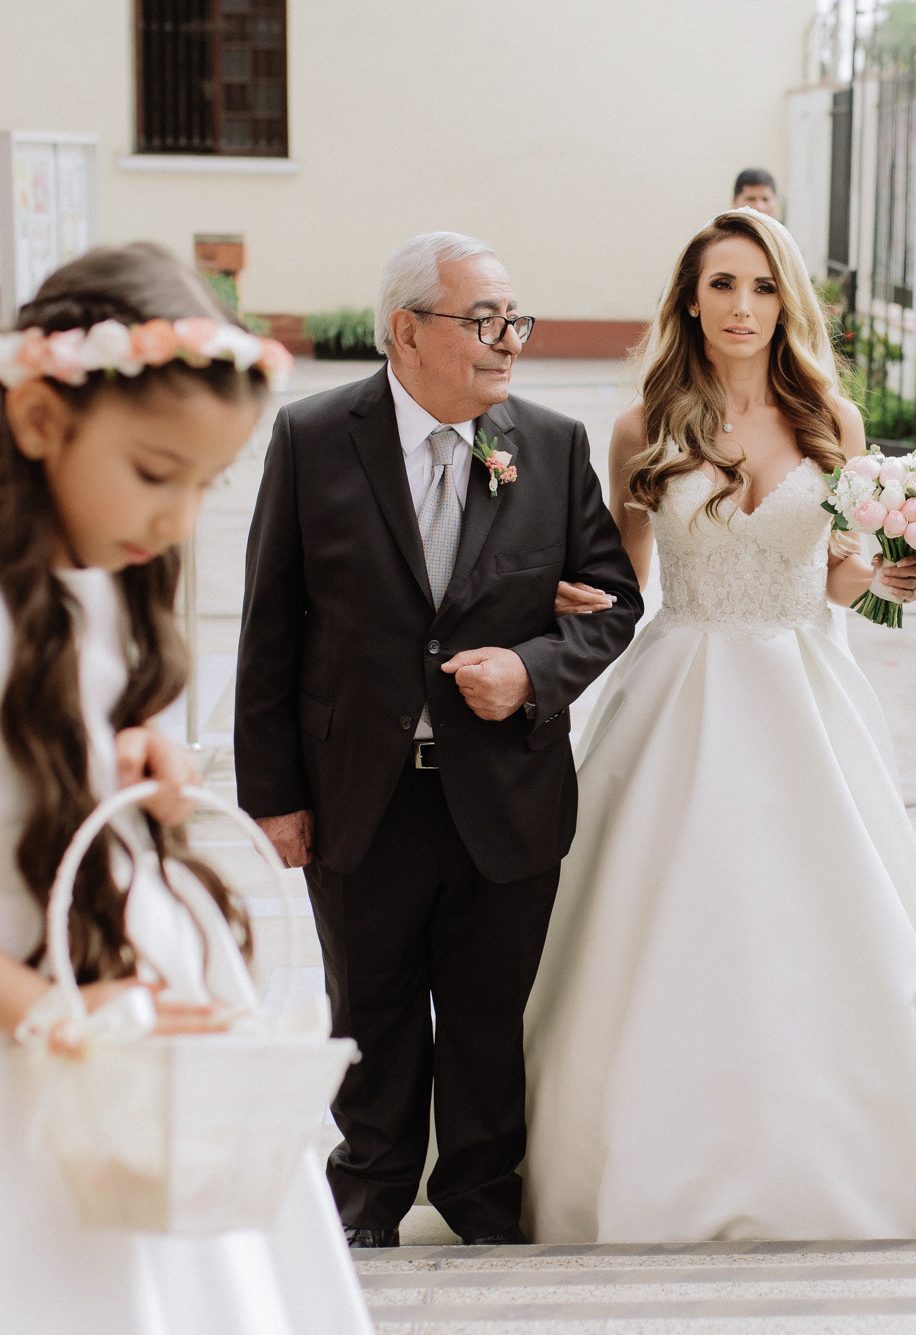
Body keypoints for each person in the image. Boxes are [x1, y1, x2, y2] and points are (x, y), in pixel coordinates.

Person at [0, 243, 373, 1334]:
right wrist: (55, 1015)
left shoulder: (76, 549)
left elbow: (50, 720)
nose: (176, 520)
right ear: (42, 420)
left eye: (204, 487)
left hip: (100, 981)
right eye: (155, 473)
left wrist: (132, 754)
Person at [521, 208, 916, 1243]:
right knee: (662, 923)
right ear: (690, 300)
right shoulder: (644, 426)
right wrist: (562, 600)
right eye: (722, 284)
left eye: (762, 286)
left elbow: (836, 580)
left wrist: (888, 572)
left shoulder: (830, 420)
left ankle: (840, 1166)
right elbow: (622, 581)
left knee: (833, 926)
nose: (743, 306)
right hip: (680, 693)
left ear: (786, 301)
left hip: (806, 696)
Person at [235, 232, 642, 1250]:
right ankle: (367, 1202)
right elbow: (269, 626)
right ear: (405, 331)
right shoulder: (314, 437)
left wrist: (532, 671)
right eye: (482, 320)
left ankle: (482, 1201)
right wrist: (272, 796)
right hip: (359, 792)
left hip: (503, 792)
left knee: (485, 1017)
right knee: (367, 1013)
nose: (508, 340)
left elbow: (613, 603)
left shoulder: (550, 445)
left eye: (514, 319)